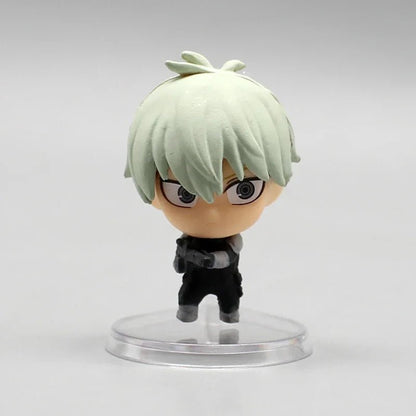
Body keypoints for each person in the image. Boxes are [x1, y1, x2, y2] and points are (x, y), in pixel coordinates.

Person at [124, 51, 300, 323]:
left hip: (226, 282)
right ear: (154, 193)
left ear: (274, 186)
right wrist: (183, 258)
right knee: (187, 306)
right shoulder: (187, 241)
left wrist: (207, 260)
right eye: (184, 193)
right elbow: (178, 265)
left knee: (229, 310)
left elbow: (229, 255)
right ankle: (189, 325)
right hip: (193, 282)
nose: (212, 211)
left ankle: (229, 325)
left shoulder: (231, 241)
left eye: (243, 190)